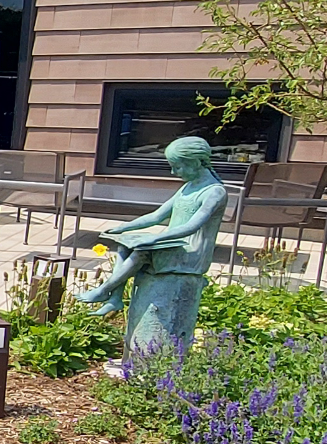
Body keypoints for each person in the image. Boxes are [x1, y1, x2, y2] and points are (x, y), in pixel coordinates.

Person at [73, 135, 228, 355]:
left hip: (191, 254)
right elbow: (156, 216)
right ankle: (115, 298)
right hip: (173, 245)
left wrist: (155, 239)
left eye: (178, 167)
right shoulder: (187, 188)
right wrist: (125, 227)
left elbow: (193, 226)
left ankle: (104, 290)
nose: (174, 173)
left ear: (197, 162)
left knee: (142, 251)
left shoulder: (214, 192)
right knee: (124, 245)